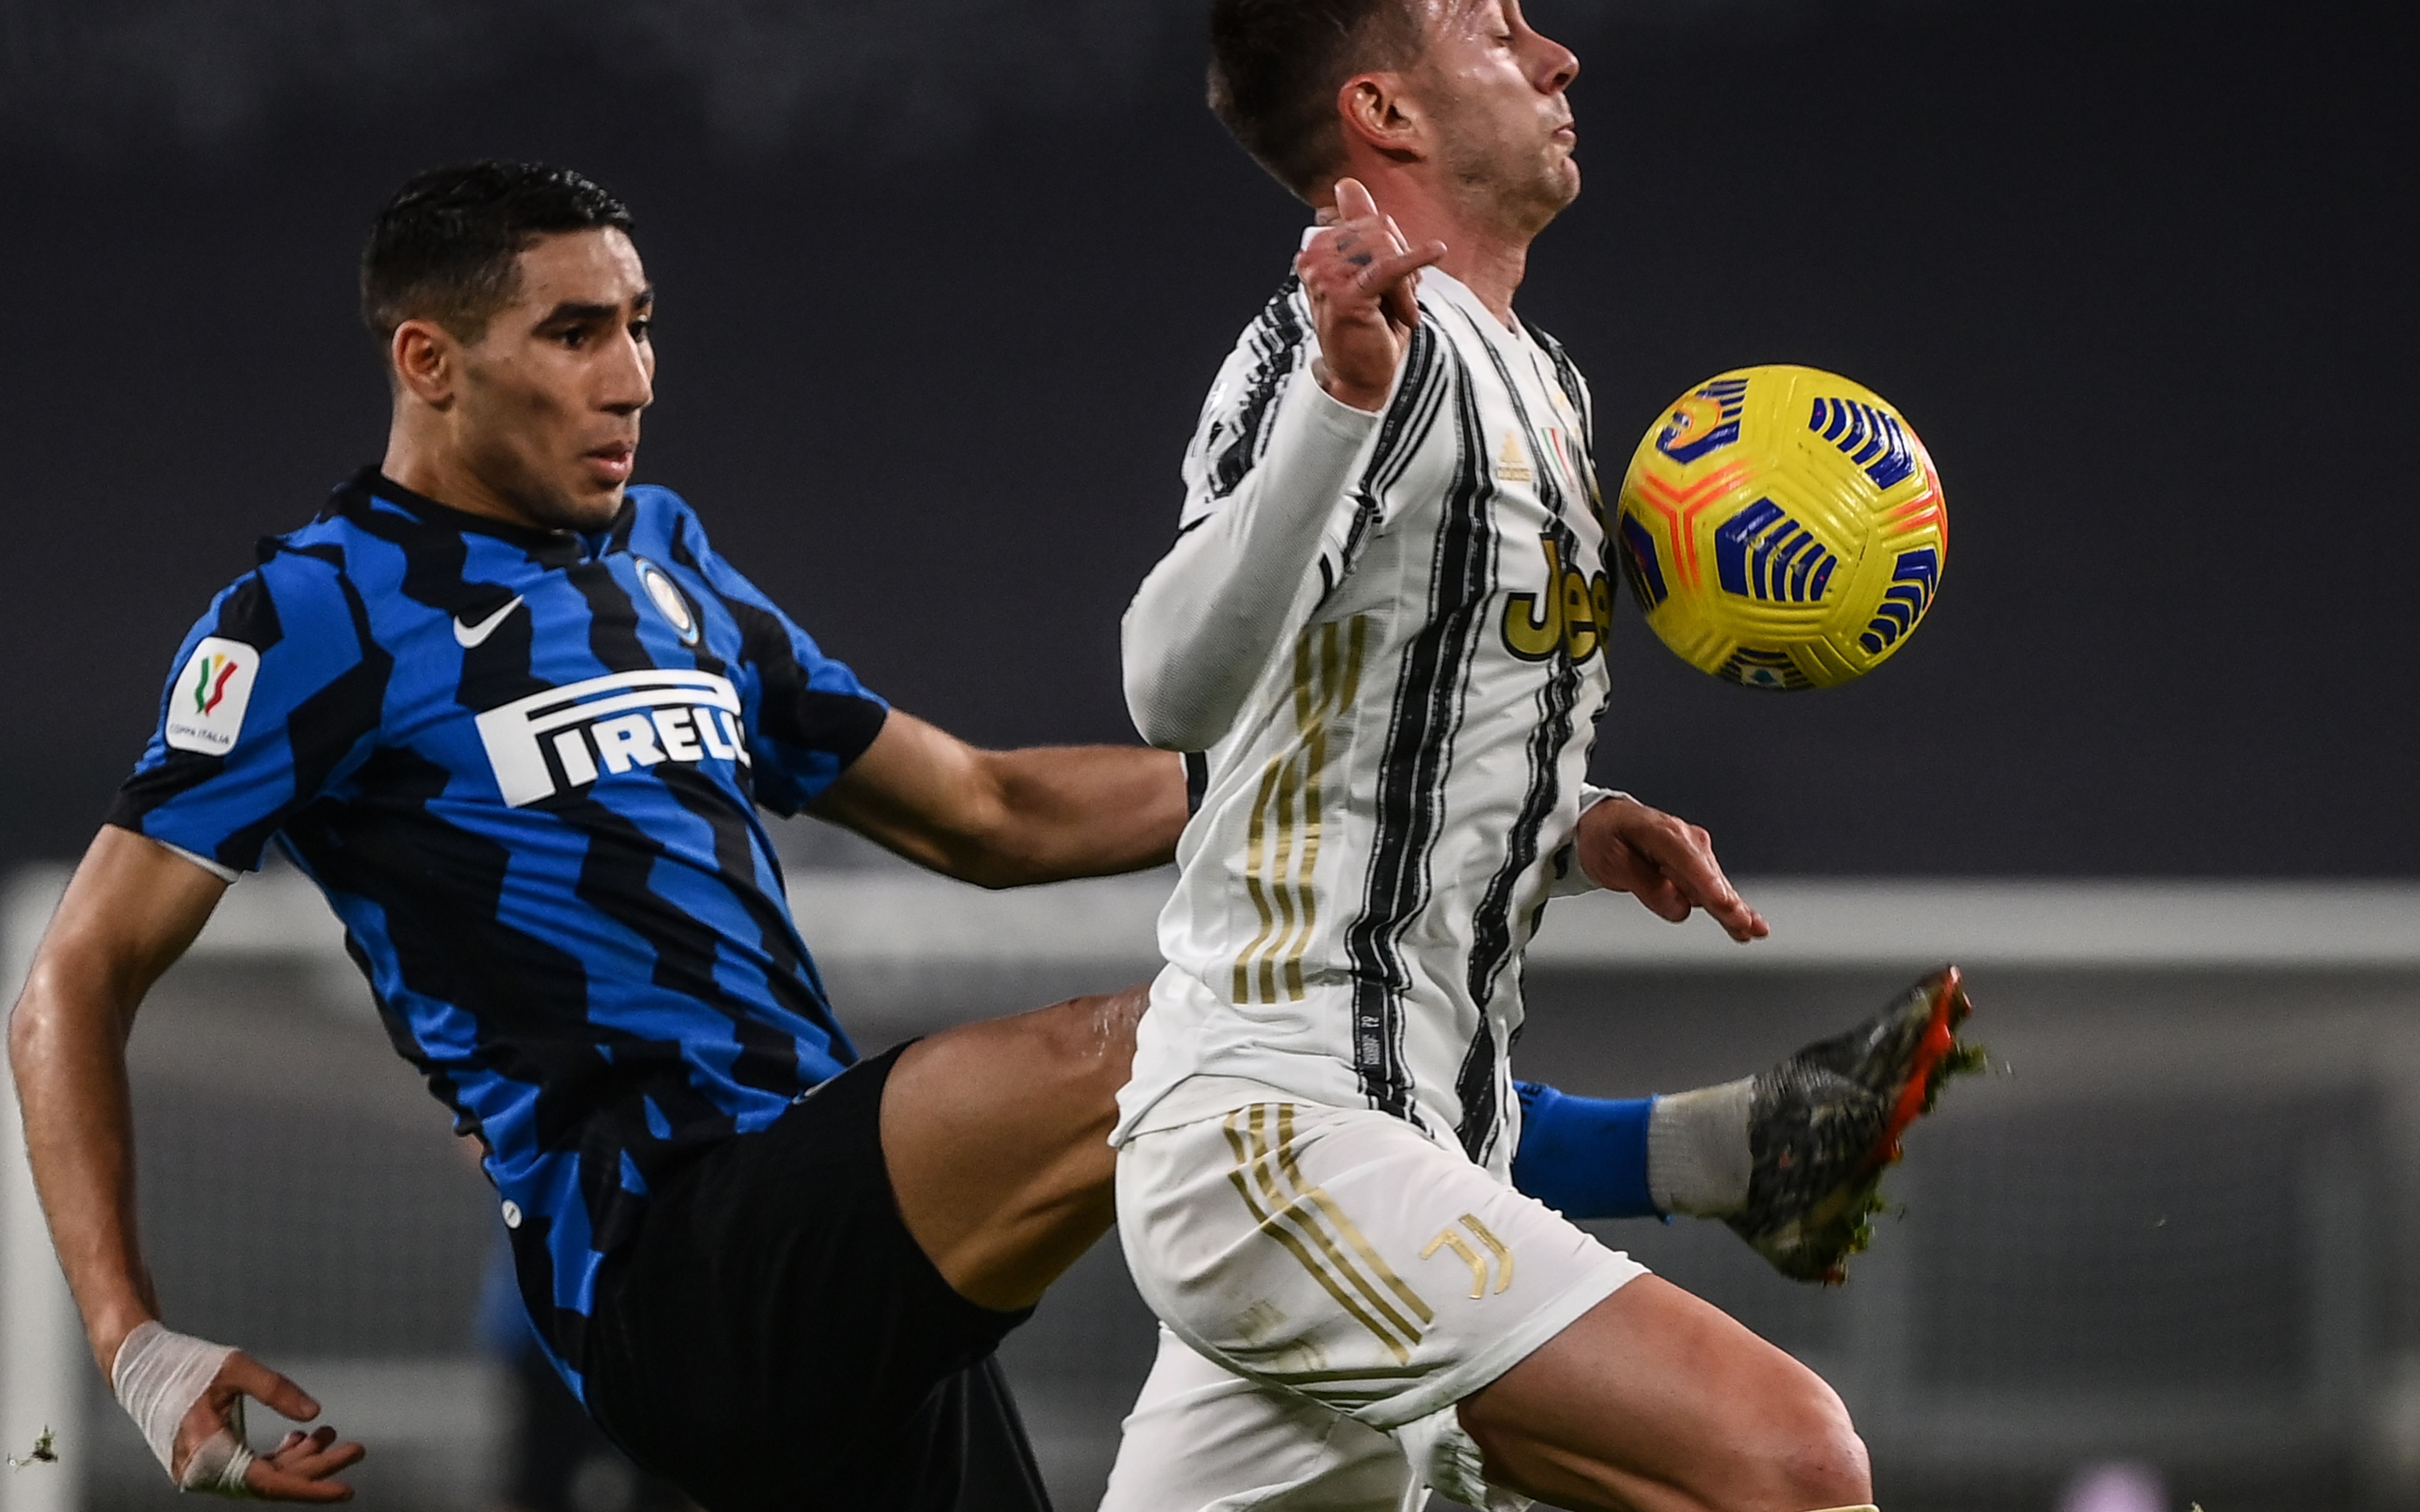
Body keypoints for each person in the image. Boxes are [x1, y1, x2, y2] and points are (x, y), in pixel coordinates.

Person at [7, 162, 1959, 1512]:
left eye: (645, 324)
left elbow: (995, 811)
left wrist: (1483, 819)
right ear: (428, 360)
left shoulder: (670, 568)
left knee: (1223, 1136)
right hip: (661, 1256)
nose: (634, 374)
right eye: (576, 332)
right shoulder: (309, 616)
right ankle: (1706, 1159)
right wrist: (136, 1343)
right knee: (1177, 1048)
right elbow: (74, 978)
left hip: (841, 1249)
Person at [1101, 0, 1971, 1512]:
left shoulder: (1537, 379)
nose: (1559, 55)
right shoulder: (1359, 346)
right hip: (1286, 1135)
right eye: (1498, 26)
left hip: (1417, 1128)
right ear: (1388, 113)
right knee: (1784, 1463)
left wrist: (1573, 829)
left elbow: (1358, 729)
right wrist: (1336, 400)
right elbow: (1173, 685)